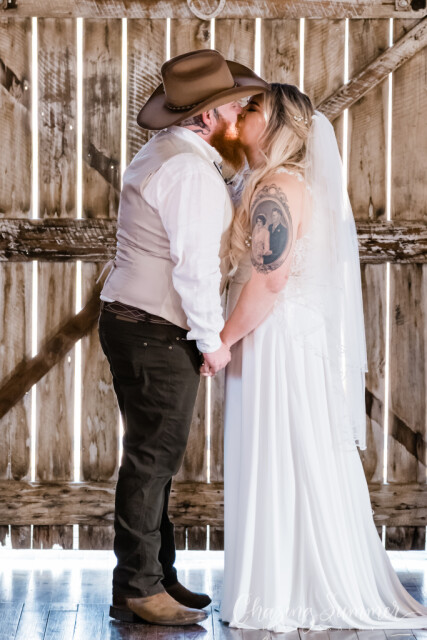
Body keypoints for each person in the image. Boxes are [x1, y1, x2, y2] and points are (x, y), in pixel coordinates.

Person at [211, 83, 427, 632]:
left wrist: (223, 340)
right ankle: (286, 582)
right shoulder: (285, 183)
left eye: (254, 109)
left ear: (278, 126)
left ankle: (282, 592)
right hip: (286, 340)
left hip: (275, 344)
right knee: (294, 452)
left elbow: (269, 280)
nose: (241, 115)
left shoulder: (277, 188)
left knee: (281, 450)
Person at [98, 49, 268, 627]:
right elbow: (193, 268)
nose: (240, 117)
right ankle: (137, 588)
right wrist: (211, 340)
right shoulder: (189, 170)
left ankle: (156, 574)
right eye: (234, 109)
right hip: (155, 327)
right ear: (206, 116)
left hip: (136, 322)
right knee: (152, 459)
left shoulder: (172, 153)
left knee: (155, 456)